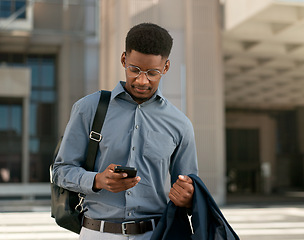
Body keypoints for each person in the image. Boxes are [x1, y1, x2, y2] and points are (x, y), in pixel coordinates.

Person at [52, 22, 198, 240]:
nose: (141, 80)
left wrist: (188, 197)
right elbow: (60, 171)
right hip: (97, 233)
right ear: (124, 60)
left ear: (166, 68)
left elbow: (189, 188)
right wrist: (98, 180)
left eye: (152, 73)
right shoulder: (88, 108)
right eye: (134, 70)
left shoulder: (180, 124)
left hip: (155, 234)